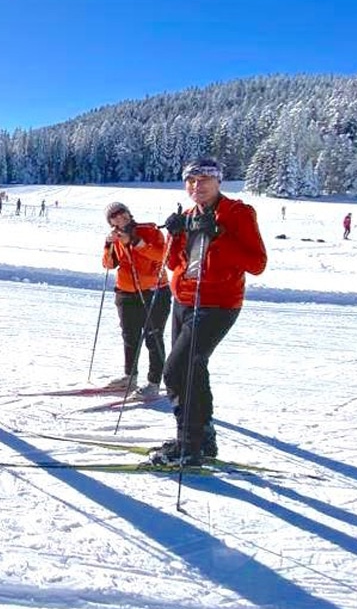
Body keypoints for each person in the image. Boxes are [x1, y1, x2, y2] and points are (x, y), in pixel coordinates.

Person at [154, 157, 267, 466]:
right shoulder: (188, 214)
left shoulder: (238, 213)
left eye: (204, 179)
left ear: (219, 181)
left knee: (176, 370)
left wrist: (220, 235)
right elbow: (175, 264)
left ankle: (187, 446)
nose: (197, 185)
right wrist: (175, 234)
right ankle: (202, 438)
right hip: (184, 300)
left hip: (217, 303)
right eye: (191, 180)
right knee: (194, 369)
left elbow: (257, 264)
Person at [100, 202, 172, 396]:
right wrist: (108, 244)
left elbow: (163, 256)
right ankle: (129, 377)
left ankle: (153, 383)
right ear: (110, 221)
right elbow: (108, 264)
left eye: (121, 212)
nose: (119, 217)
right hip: (125, 292)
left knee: (153, 337)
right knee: (130, 336)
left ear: (128, 213)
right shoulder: (116, 237)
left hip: (154, 291)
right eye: (113, 216)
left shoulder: (149, 230)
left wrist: (134, 242)